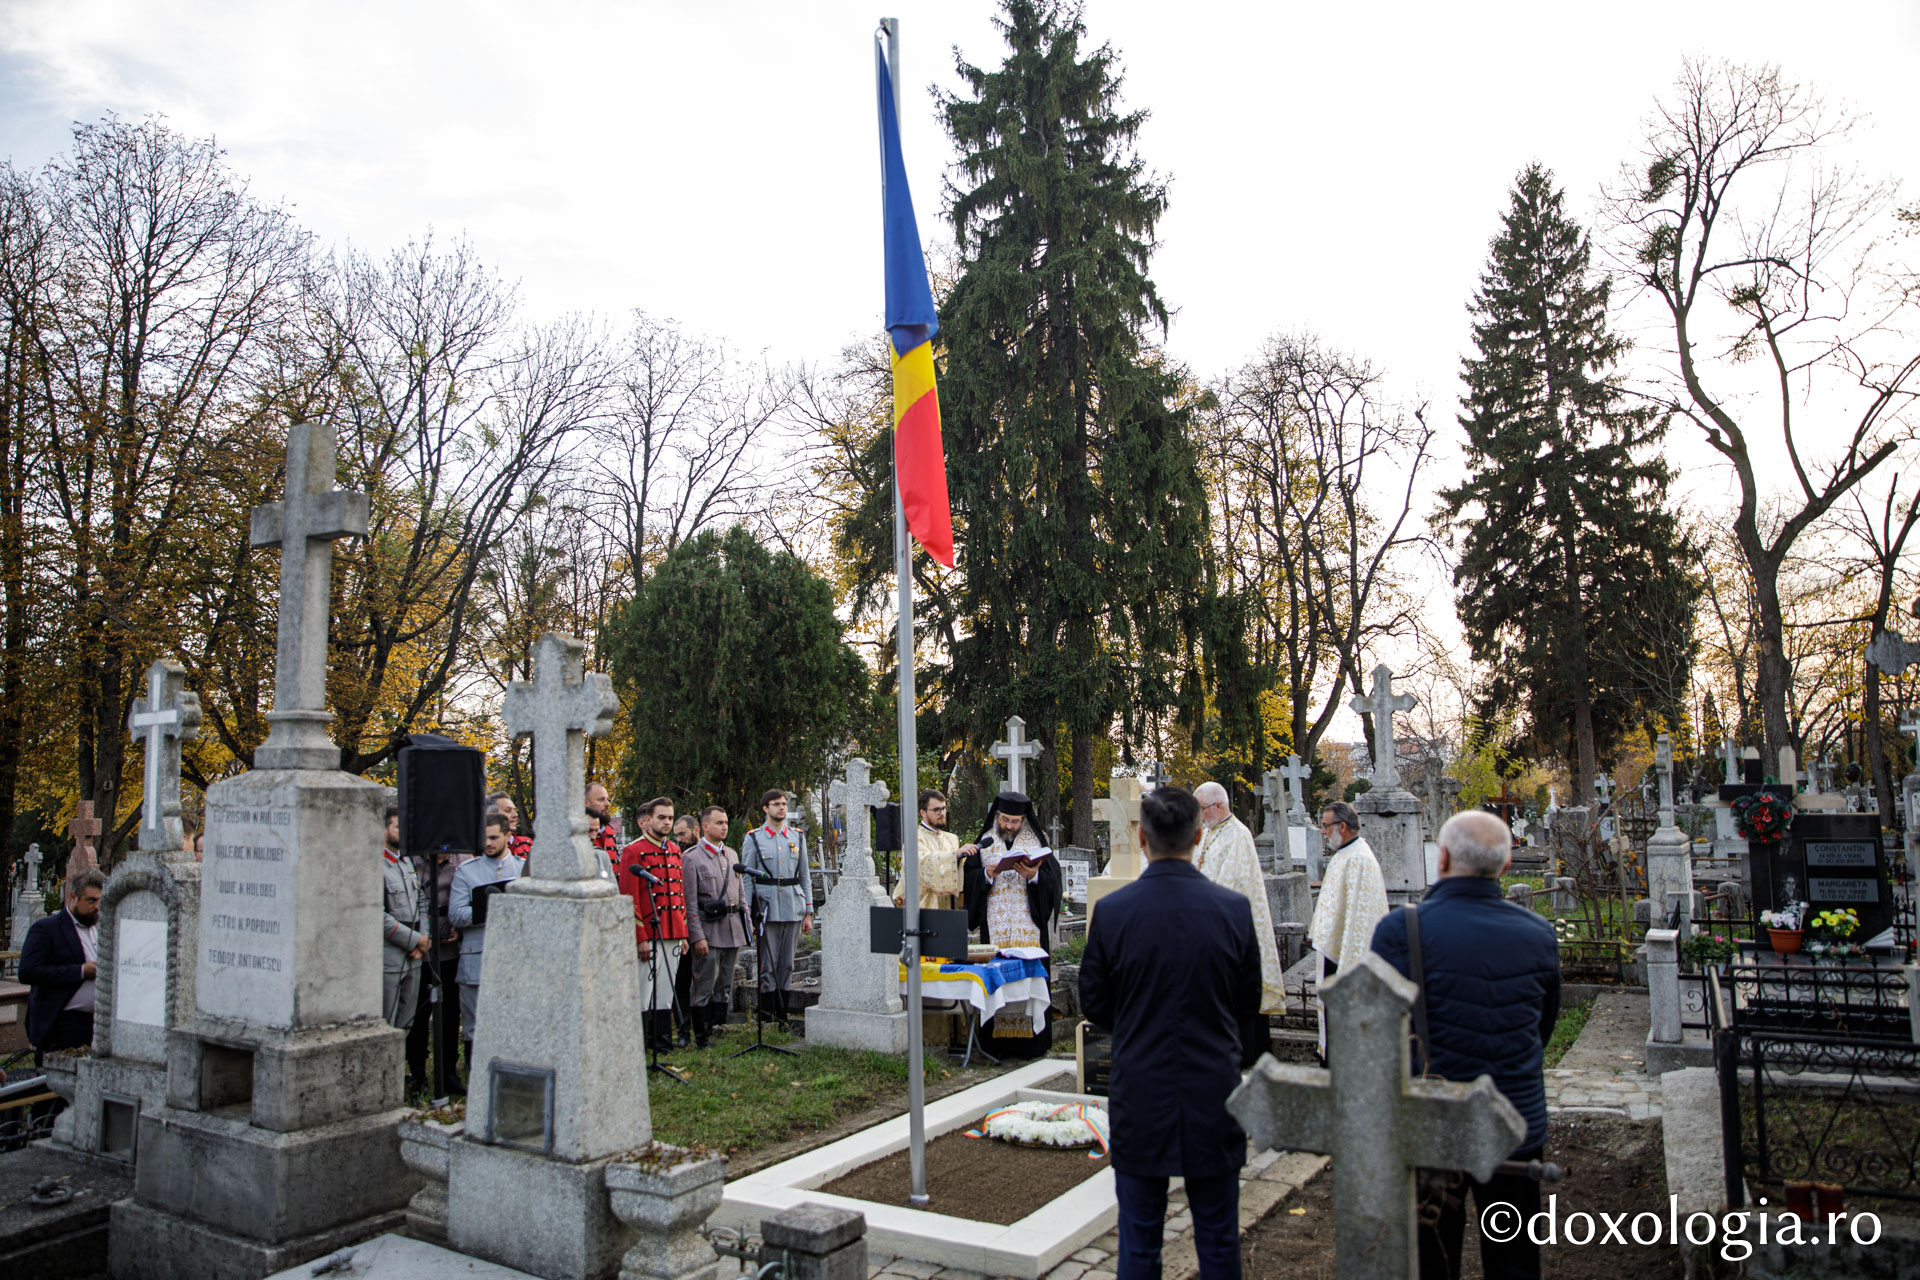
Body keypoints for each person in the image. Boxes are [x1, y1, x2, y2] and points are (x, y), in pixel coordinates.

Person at [1370, 810, 1560, 1280]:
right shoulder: (1539, 936)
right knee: (1514, 1260)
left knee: (1431, 1256)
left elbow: (1375, 1034)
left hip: (1432, 1121)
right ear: (1507, 865)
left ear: (1443, 858)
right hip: (1513, 1121)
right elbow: (1542, 1027)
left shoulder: (1399, 931)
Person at [1080, 787, 1260, 1280]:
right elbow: (1247, 1004)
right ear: (1198, 837)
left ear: (1141, 838)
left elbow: (1094, 1002)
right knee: (1220, 1239)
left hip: (1141, 1085)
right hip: (1213, 1087)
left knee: (1138, 1242)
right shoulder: (1232, 910)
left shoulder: (1114, 913)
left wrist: (1138, 1025)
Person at [960, 790, 1063, 1056]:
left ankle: (1031, 1045)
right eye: (1005, 820)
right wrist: (985, 874)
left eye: (1015, 821)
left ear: (1023, 821)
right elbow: (968, 879)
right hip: (995, 931)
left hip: (1029, 928)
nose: (1009, 826)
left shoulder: (1036, 842)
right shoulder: (984, 842)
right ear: (997, 816)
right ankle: (996, 1047)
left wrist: (1035, 877)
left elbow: (1053, 882)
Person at [1193, 782, 1286, 1058]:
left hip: (1231, 928)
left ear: (1219, 806)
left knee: (1238, 989)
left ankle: (1247, 1050)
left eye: (1202, 809)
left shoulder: (1238, 836)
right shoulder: (1209, 834)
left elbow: (1232, 884)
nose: (1200, 815)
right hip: (1208, 924)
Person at [1306, 800, 1387, 1055]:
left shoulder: (1359, 859)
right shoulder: (1345, 854)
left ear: (1342, 826)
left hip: (1345, 958)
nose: (1322, 831)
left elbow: (1360, 920)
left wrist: (1348, 969)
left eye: (1325, 826)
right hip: (1333, 952)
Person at [448, 814, 526, 1057]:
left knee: (515, 1022)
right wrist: (490, 908)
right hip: (477, 957)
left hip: (516, 958)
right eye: (484, 839)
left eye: (494, 838)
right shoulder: (466, 872)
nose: (488, 843)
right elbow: (457, 914)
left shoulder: (524, 869)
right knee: (475, 1025)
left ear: (507, 837)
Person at [740, 789, 814, 1027]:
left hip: (792, 906)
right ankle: (768, 1016)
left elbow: (805, 876)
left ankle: (782, 1015)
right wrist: (749, 914)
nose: (781, 808)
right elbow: (746, 879)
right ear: (765, 808)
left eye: (783, 804)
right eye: (776, 804)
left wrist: (809, 912)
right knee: (768, 965)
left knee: (787, 964)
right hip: (767, 908)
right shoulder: (754, 838)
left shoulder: (797, 837)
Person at [621, 797, 689, 1051]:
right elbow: (629, 897)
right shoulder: (633, 851)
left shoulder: (673, 850)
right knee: (643, 989)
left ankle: (662, 1043)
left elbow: (679, 894)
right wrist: (639, 937)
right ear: (647, 819)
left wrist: (683, 934)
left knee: (665, 991)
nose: (667, 822)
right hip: (648, 931)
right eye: (662, 817)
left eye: (670, 818)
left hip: (671, 931)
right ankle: (640, 1044)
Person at [22, 868, 106, 1062]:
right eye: (91, 900)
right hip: (63, 1023)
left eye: (101, 901)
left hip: (98, 1022)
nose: (97, 907)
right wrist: (80, 971)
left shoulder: (103, 927)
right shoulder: (47, 929)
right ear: (73, 897)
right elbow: (28, 972)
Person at [407, 834, 469, 1093]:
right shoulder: (411, 862)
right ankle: (418, 1073)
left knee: (450, 1011)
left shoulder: (462, 861)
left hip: (450, 945)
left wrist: (457, 927)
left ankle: (448, 1072)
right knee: (420, 1012)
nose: (444, 855)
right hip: (420, 945)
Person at [682, 805, 748, 1047]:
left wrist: (747, 927)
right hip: (708, 931)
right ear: (705, 827)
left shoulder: (732, 855)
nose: (724, 827)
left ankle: (719, 1028)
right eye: (719, 823)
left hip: (732, 929)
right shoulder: (691, 858)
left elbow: (740, 896)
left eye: (726, 822)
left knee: (725, 982)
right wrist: (696, 936)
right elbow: (689, 903)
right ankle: (701, 1036)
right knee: (704, 983)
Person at [380, 805, 430, 1031]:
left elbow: (421, 899)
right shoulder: (375, 865)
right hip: (391, 953)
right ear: (383, 830)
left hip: (415, 954)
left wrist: (425, 938)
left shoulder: (407, 862)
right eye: (398, 827)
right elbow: (379, 915)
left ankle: (399, 1066)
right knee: (386, 1022)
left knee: (406, 1022)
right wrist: (414, 940)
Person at [892, 789, 975, 912]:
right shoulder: (914, 839)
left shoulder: (952, 839)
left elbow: (960, 872)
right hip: (926, 908)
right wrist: (954, 856)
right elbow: (921, 866)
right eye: (936, 810)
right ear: (923, 812)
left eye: (943, 808)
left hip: (951, 909)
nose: (942, 813)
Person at [586, 782, 620, 877]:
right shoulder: (576, 830)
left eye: (607, 799)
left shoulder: (609, 830)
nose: (607, 804)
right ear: (585, 803)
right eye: (601, 800)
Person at [488, 791, 532, 860]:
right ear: (492, 815)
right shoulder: (479, 848)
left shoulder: (526, 844)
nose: (515, 815)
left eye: (515, 810)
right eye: (508, 810)